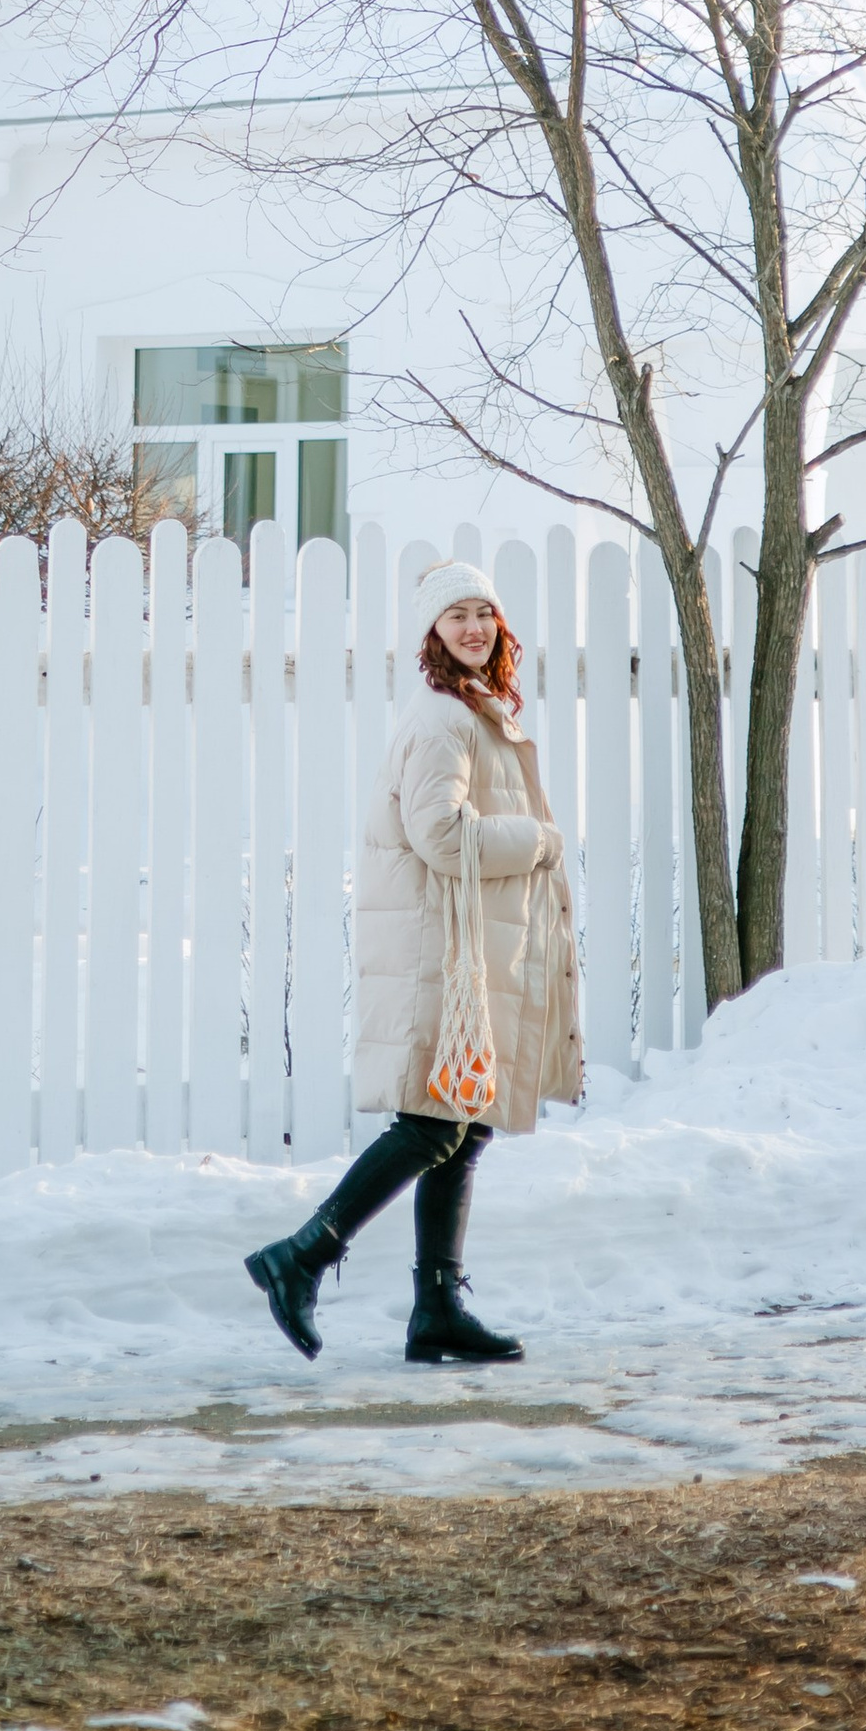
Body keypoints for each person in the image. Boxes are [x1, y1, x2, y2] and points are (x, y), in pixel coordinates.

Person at [244, 557, 580, 1364]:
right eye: (456, 615)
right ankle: (302, 1254)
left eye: (484, 614)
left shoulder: (476, 709)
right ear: (433, 632)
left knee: (464, 1129)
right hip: (443, 950)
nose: (473, 627)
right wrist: (537, 842)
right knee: (435, 1123)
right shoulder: (442, 719)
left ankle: (436, 1308)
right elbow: (442, 834)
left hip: (466, 944)